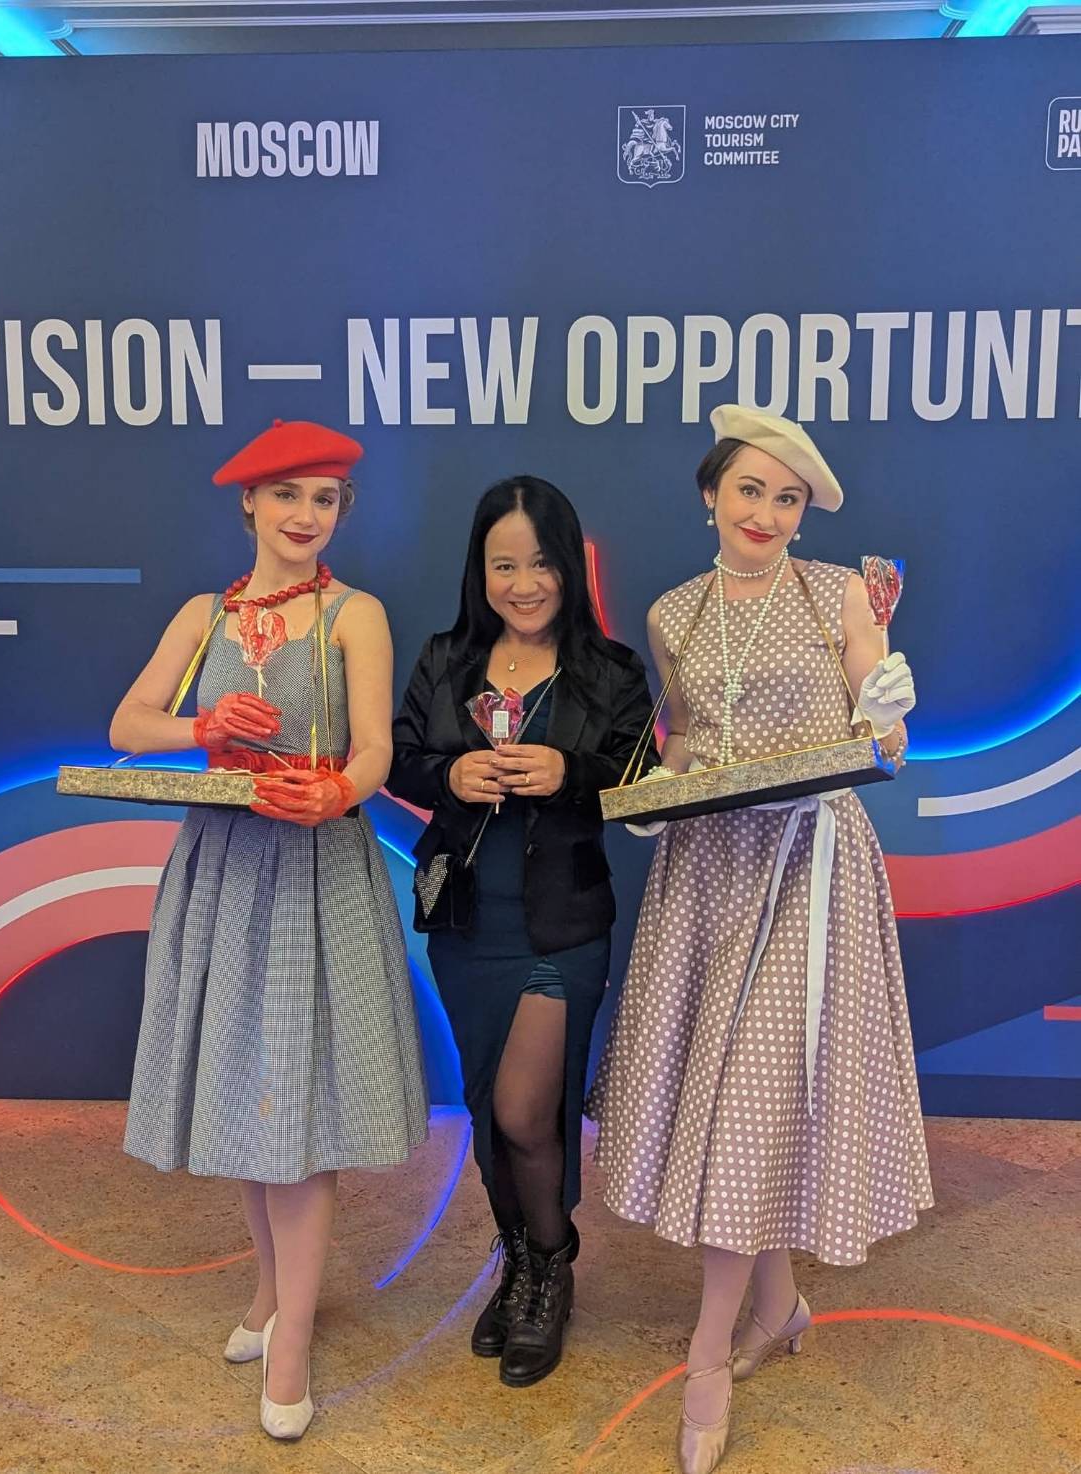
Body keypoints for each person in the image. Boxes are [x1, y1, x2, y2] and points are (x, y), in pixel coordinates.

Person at [589, 406, 932, 1473]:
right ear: (711, 494)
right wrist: (657, 796)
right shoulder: (672, 613)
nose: (767, 513)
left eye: (787, 499)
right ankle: (779, 1307)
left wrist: (888, 709)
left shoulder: (839, 593)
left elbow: (885, 740)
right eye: (751, 490)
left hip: (811, 866)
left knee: (755, 1095)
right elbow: (684, 742)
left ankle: (707, 1354)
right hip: (710, 872)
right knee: (749, 1097)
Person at [110, 418, 428, 1441]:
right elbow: (127, 725)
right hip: (223, 868)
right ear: (247, 501)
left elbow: (375, 749)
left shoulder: (355, 614)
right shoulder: (203, 614)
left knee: (297, 1113)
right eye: (286, 493)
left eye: (324, 497)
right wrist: (202, 729)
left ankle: (291, 1338)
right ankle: (270, 1291)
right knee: (248, 1096)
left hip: (314, 870)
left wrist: (337, 791)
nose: (305, 514)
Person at [389, 475, 655, 1388]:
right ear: (481, 571)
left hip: (561, 927)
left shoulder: (611, 670)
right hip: (465, 923)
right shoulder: (446, 659)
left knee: (523, 1110)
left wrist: (569, 772)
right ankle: (521, 1265)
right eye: (504, 565)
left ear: (568, 566)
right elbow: (402, 759)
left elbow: (640, 778)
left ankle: (553, 1264)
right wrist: (450, 776)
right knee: (486, 1114)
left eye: (541, 563)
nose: (524, 583)